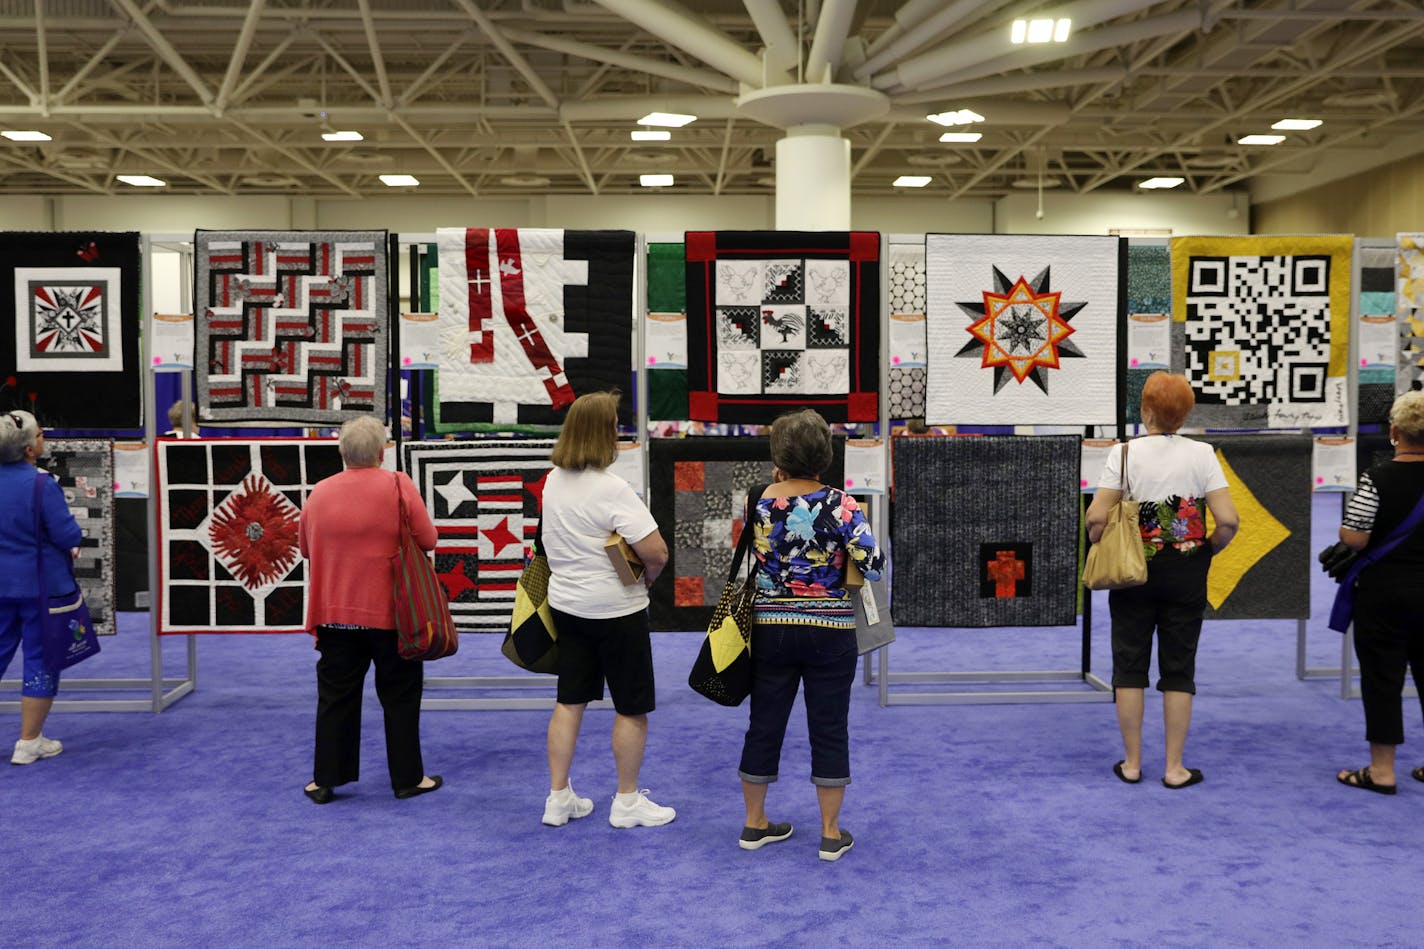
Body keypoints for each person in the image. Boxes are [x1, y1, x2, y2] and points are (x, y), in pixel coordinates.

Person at [738, 409, 884, 862]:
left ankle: (755, 823)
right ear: (825, 453)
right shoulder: (842, 504)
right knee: (829, 727)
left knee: (764, 723)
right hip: (831, 631)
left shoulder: (758, 499)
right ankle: (829, 832)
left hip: (770, 628)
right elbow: (874, 564)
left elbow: (744, 559)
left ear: (777, 453)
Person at [1086, 371, 1238, 789]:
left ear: (1145, 410)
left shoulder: (1123, 453)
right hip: (1187, 570)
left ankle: (1132, 763)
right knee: (1179, 668)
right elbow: (1227, 521)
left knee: (1130, 665)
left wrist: (1099, 539)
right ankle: (1175, 768)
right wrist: (1205, 549)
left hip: (1133, 571)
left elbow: (1098, 517)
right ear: (1185, 413)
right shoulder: (1203, 454)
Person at [540, 391, 671, 829]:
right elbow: (656, 552)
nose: (618, 430)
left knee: (569, 700)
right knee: (631, 706)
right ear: (603, 432)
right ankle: (627, 802)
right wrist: (648, 577)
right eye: (615, 423)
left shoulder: (552, 480)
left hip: (567, 606)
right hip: (618, 611)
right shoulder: (613, 488)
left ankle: (558, 798)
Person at [297, 415, 441, 804]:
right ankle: (408, 778)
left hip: (335, 615)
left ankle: (325, 780)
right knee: (400, 696)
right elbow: (428, 539)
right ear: (383, 452)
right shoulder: (398, 485)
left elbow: (305, 549)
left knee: (335, 697)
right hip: (394, 616)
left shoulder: (320, 492)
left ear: (341, 452)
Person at [1334, 390, 1424, 794]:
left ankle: (1382, 771)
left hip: (1384, 594)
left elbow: (1354, 537)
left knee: (1382, 679)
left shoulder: (1377, 478)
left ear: (1394, 432)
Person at [0, 410, 83, 765]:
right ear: (31, 449)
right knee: (40, 661)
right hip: (40, 588)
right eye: (40, 433)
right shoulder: (40, 484)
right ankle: (28, 742)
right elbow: (68, 535)